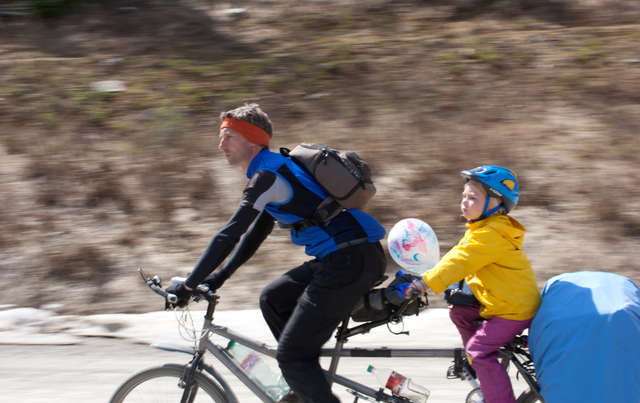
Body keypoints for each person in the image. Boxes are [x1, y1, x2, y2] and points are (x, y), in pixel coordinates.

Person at [166, 103, 387, 403]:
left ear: (252, 140)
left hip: (347, 261)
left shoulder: (267, 176)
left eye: (229, 136)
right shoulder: (276, 168)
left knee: (292, 356)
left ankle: (301, 372)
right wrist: (217, 278)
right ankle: (305, 385)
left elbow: (229, 234)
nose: (221, 145)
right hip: (349, 257)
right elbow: (255, 234)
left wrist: (189, 285)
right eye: (221, 137)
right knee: (274, 298)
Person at [405, 165, 541, 403]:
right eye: (464, 196)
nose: (464, 203)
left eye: (473, 198)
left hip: (513, 311)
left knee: (479, 350)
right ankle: (481, 370)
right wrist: (430, 278)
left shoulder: (491, 234)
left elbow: (461, 261)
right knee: (460, 313)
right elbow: (457, 257)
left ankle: (494, 390)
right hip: (503, 302)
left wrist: (425, 284)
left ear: (496, 203)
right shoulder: (483, 229)